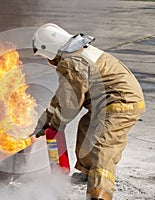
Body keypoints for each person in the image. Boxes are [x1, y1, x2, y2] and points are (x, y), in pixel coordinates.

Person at [32, 23, 145, 200]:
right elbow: (63, 95)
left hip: (121, 102)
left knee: (104, 146)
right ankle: (87, 172)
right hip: (108, 102)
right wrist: (44, 121)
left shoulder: (72, 62)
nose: (48, 60)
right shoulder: (76, 54)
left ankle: (99, 194)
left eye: (45, 55)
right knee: (86, 126)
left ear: (50, 48)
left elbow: (70, 105)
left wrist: (55, 126)